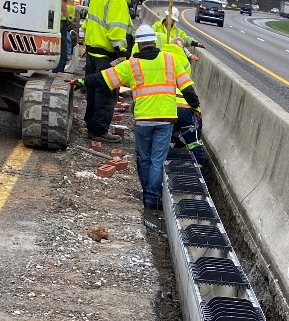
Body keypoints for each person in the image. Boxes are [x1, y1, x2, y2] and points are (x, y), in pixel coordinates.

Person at [76, 24, 200, 217]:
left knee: (144, 159)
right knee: (157, 160)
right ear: (153, 42)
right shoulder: (170, 60)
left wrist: (82, 82)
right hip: (166, 119)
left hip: (143, 120)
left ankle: (146, 196)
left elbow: (103, 78)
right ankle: (152, 199)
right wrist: (196, 106)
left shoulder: (131, 65)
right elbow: (187, 88)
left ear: (139, 45)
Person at [82, 0, 142, 143]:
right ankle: (99, 130)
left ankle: (91, 125)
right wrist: (122, 54)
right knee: (107, 93)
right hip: (107, 55)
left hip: (92, 51)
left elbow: (87, 22)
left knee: (93, 90)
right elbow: (116, 31)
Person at [131, 32, 205, 164]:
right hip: (184, 106)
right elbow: (187, 86)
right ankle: (199, 163)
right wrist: (196, 108)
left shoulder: (161, 57)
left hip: (167, 107)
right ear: (182, 49)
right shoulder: (184, 62)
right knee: (194, 140)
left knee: (167, 137)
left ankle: (167, 158)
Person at [52, 0, 74, 73]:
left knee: (61, 51)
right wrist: (69, 18)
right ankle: (57, 76)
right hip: (61, 19)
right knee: (62, 54)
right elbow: (62, 1)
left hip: (59, 18)